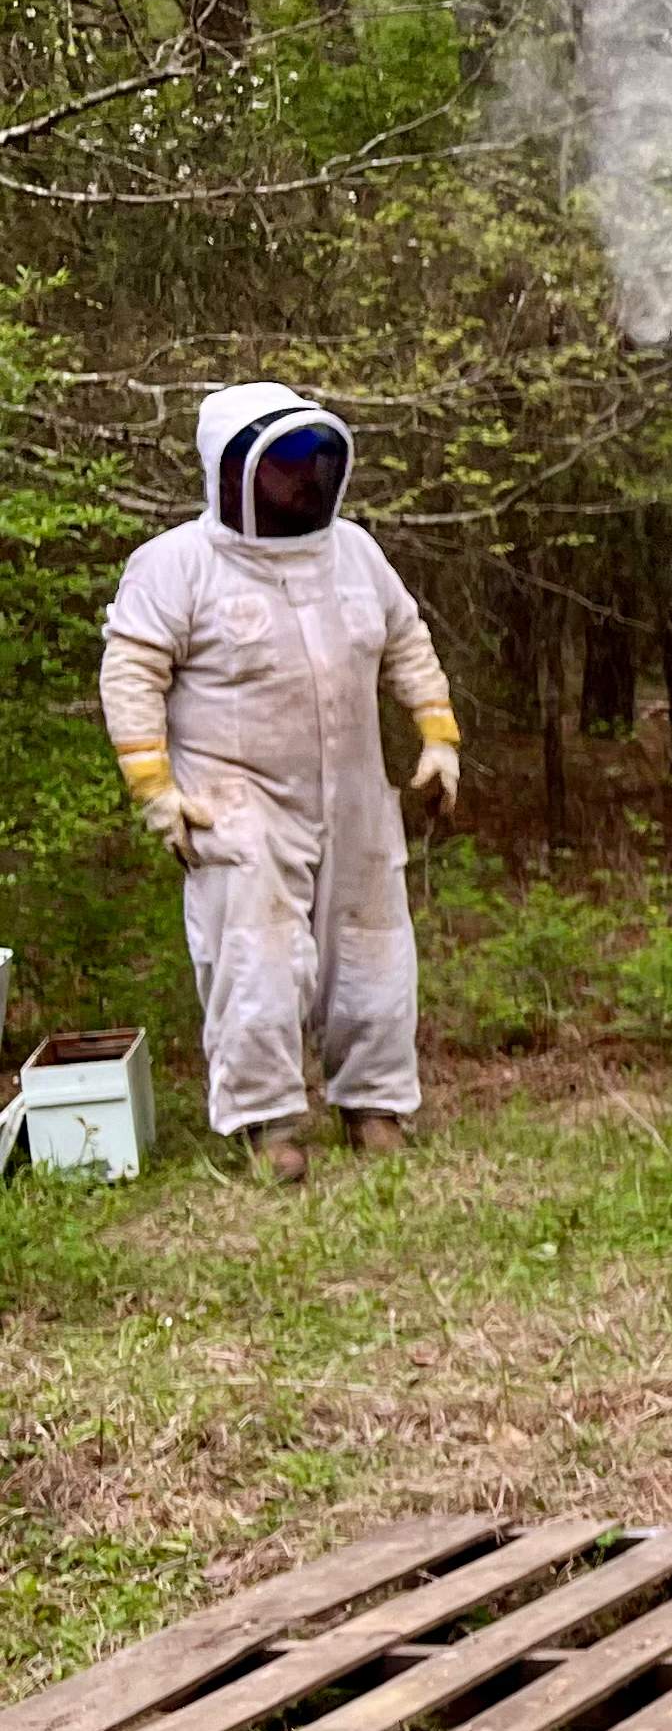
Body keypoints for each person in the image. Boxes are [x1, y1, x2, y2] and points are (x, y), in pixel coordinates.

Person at [97, 384, 460, 1184]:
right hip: (237, 801)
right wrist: (155, 787)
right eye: (283, 468)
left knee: (373, 950)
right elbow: (131, 671)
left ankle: (374, 1107)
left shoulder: (356, 551)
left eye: (313, 465)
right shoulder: (176, 565)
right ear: (231, 473)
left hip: (357, 795)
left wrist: (437, 734)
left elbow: (405, 638)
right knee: (255, 959)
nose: (300, 483)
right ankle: (269, 1129)